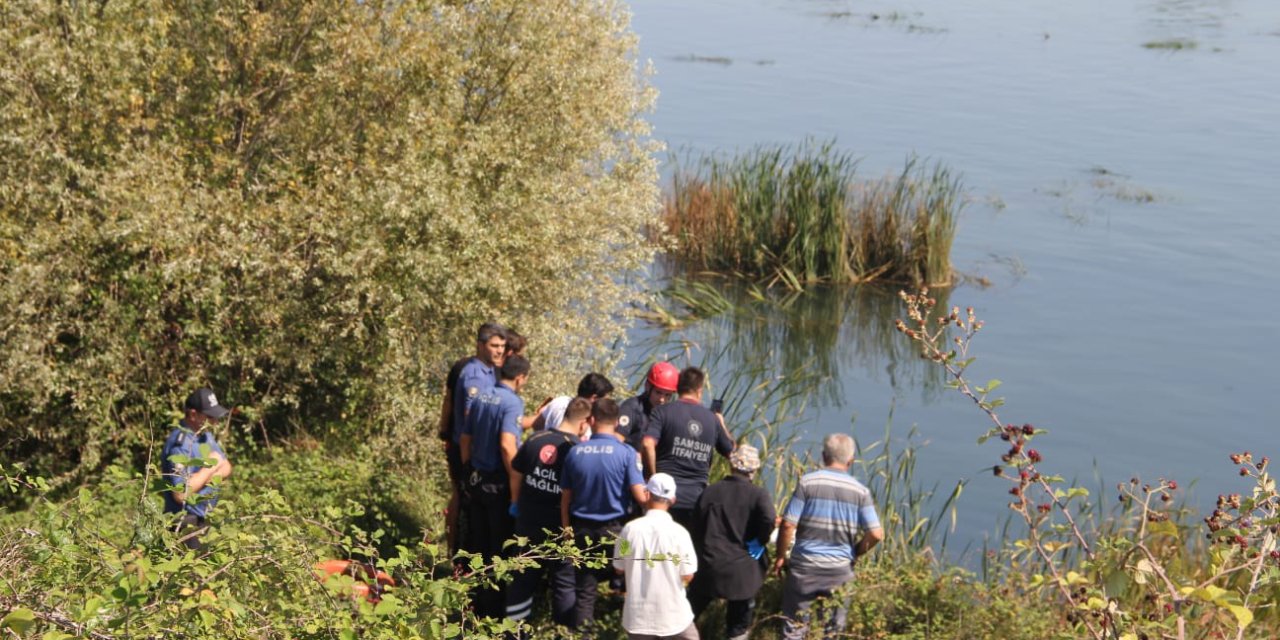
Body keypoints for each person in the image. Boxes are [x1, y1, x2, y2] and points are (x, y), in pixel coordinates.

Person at [772, 433, 884, 640]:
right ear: (851, 461)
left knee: (794, 629)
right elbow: (876, 533)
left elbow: (788, 525)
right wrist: (855, 552)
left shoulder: (807, 483)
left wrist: (780, 556)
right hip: (839, 570)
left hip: (805, 567)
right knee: (832, 631)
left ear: (824, 456)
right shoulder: (861, 491)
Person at [559, 398, 647, 633]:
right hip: (619, 534)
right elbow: (640, 497)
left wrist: (567, 532)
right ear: (617, 422)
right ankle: (625, 632)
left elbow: (565, 499)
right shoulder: (627, 453)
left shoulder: (575, 452)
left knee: (585, 591)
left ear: (592, 420)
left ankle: (582, 636)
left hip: (581, 532)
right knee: (630, 577)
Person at [504, 397, 591, 629]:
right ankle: (563, 633)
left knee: (522, 579)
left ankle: (513, 633)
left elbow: (516, 470)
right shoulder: (577, 451)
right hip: (559, 530)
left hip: (527, 524)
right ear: (583, 424)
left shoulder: (535, 439)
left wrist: (515, 501)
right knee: (564, 583)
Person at [459, 354, 530, 618]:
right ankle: (493, 611)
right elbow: (506, 446)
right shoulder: (513, 403)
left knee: (478, 542)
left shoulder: (482, 396)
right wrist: (516, 494)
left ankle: (474, 604)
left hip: (477, 481)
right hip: (498, 485)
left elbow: (465, 438)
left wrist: (468, 471)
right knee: (499, 548)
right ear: (521, 378)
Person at [689, 445, 775, 640]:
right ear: (754, 470)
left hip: (709, 567)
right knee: (737, 625)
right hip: (742, 572)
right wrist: (760, 540)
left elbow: (695, 527)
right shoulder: (758, 495)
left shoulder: (711, 491)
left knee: (687, 613)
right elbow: (769, 519)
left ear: (731, 465)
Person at [438, 322, 508, 553]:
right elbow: (472, 418)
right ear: (480, 345)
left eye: (502, 346)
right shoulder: (474, 375)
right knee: (464, 498)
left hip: (467, 447)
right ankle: (457, 554)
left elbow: (448, 401)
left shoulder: (488, 370)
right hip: (468, 450)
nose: (499, 351)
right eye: (494, 346)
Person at [642, 367, 734, 528]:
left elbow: (648, 443)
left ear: (677, 388)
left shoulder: (662, 412)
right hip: (697, 500)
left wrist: (652, 477)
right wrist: (721, 422)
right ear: (700, 390)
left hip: (663, 498)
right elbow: (733, 453)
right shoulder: (712, 419)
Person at [612, 473, 699, 640]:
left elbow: (618, 568)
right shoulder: (680, 533)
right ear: (673, 500)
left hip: (638, 618)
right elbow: (688, 574)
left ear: (647, 494)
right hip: (674, 616)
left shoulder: (629, 530)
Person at [161, 387, 234, 550]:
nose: (215, 422)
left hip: (203, 517)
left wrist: (201, 480)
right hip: (184, 522)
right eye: (209, 417)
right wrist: (209, 468)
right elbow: (181, 493)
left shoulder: (204, 435)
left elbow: (227, 466)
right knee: (192, 574)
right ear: (193, 414)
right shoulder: (179, 444)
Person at [617, 362, 679, 451]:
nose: (662, 399)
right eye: (658, 392)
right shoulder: (632, 408)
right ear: (647, 386)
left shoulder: (669, 415)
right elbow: (616, 441)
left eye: (667, 395)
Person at [533, 372, 614, 434]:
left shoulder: (559, 401)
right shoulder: (580, 417)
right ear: (594, 398)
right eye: (605, 400)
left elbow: (536, 424)